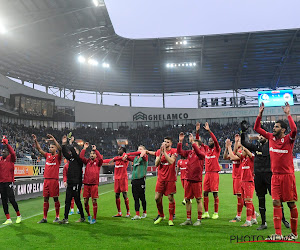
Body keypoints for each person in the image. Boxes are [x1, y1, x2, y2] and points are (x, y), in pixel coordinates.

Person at [254, 102, 298, 241]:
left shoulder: (288, 139)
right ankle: (278, 234)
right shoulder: (270, 138)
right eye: (274, 126)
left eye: (277, 127)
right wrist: (260, 114)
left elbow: (295, 130)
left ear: (283, 130)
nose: (274, 128)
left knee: (290, 203)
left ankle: (293, 234)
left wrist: (288, 114)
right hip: (275, 177)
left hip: (287, 176)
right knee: (275, 203)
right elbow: (256, 128)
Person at [240, 121, 290, 230]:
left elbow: (267, 133)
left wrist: (261, 125)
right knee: (261, 199)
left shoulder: (270, 145)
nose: (261, 137)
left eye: (263, 135)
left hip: (270, 176)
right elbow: (243, 143)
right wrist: (243, 132)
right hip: (258, 176)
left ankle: (283, 219)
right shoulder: (256, 147)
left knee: (276, 199)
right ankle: (263, 223)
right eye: (260, 136)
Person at [227, 140, 258, 227]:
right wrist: (236, 143)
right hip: (242, 182)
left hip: (249, 182)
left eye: (243, 151)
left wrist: (245, 146)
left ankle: (248, 221)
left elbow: (248, 152)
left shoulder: (252, 158)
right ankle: (254, 218)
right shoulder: (243, 159)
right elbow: (236, 152)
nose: (242, 152)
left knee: (248, 201)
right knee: (246, 201)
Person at [177, 133, 206, 226]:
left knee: (198, 199)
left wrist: (193, 142)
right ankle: (188, 219)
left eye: (195, 145)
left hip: (196, 180)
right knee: (187, 199)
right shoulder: (190, 153)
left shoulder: (201, 153)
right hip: (188, 179)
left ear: (199, 146)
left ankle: (199, 219)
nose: (193, 146)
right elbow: (180, 152)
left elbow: (198, 151)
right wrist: (180, 142)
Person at [33, 134, 62, 223]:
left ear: (55, 149)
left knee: (55, 198)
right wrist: (35, 141)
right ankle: (44, 218)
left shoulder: (58, 157)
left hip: (54, 180)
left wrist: (54, 139)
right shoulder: (47, 156)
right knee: (45, 198)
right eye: (50, 147)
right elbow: (39, 149)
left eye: (52, 147)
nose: (50, 148)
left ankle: (57, 217)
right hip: (46, 180)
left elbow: (60, 149)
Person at [59, 136, 85, 224]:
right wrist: (63, 144)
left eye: (75, 150)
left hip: (76, 183)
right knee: (67, 200)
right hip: (70, 182)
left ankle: (82, 217)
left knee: (77, 200)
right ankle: (65, 218)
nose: (72, 151)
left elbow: (72, 152)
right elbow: (65, 153)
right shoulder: (71, 159)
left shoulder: (79, 160)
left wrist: (70, 143)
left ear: (78, 152)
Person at [104, 147, 135, 218]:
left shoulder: (125, 157)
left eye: (120, 149)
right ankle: (119, 212)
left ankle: (128, 212)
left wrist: (114, 159)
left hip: (123, 178)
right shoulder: (117, 158)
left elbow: (122, 158)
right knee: (117, 195)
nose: (118, 150)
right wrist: (102, 161)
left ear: (123, 151)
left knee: (124, 194)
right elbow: (110, 160)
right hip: (117, 179)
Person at [154, 137, 177, 226]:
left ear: (171, 144)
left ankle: (171, 218)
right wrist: (160, 154)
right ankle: (161, 215)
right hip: (161, 178)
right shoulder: (158, 151)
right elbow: (156, 164)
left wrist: (164, 153)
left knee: (170, 198)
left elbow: (171, 161)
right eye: (164, 141)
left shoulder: (174, 151)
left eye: (167, 142)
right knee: (157, 198)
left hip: (170, 178)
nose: (165, 143)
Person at [201, 123, 221, 220]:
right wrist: (197, 133)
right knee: (205, 193)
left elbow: (216, 141)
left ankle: (216, 213)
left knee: (215, 193)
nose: (210, 141)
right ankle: (206, 212)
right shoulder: (206, 150)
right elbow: (198, 144)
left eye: (211, 140)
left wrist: (209, 131)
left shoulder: (217, 149)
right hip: (207, 174)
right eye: (209, 140)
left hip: (214, 174)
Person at [0, 136, 22, 225]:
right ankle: (8, 218)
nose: (2, 152)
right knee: (4, 201)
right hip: (1, 183)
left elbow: (13, 152)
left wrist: (7, 144)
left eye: (4, 151)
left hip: (9, 182)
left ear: (8, 153)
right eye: (2, 151)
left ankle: (18, 216)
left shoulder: (11, 159)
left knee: (12, 200)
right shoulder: (0, 160)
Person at [80, 142, 103, 224]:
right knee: (85, 201)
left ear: (96, 155)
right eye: (91, 153)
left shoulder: (98, 163)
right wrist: (84, 148)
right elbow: (81, 157)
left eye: (93, 153)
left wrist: (95, 150)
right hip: (86, 184)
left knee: (94, 201)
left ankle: (94, 218)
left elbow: (101, 159)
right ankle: (89, 215)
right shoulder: (87, 162)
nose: (92, 154)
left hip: (94, 185)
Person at [223, 135, 244, 222]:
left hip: (240, 177)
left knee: (240, 196)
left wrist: (229, 147)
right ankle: (253, 213)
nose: (237, 142)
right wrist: (226, 148)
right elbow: (225, 157)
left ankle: (238, 216)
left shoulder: (242, 153)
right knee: (241, 197)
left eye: (238, 141)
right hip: (235, 177)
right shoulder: (235, 152)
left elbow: (232, 157)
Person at [125, 146, 148, 220]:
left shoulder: (145, 157)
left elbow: (143, 154)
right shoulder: (135, 158)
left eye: (140, 149)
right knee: (135, 198)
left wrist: (129, 153)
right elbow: (127, 157)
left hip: (141, 180)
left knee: (142, 197)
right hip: (134, 180)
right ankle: (137, 214)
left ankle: (144, 212)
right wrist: (126, 155)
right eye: (138, 149)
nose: (139, 151)